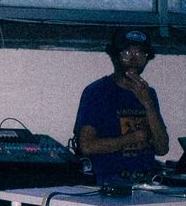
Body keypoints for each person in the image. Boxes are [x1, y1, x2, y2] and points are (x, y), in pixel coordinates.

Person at [73, 29, 170, 170]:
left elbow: (162, 148)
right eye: (127, 53)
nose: (134, 60)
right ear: (115, 56)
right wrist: (132, 138)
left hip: (147, 178)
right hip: (110, 178)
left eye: (140, 54)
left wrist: (149, 104)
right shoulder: (97, 91)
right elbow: (86, 146)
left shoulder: (149, 93)